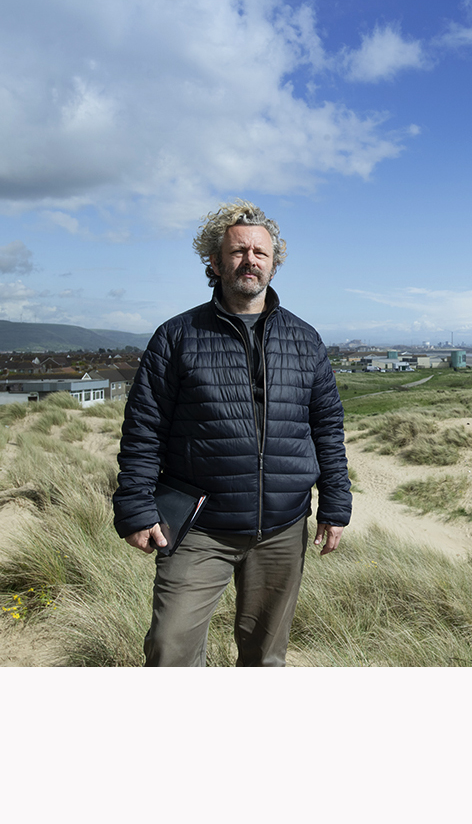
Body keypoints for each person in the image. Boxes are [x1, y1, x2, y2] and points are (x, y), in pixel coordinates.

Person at [112, 199, 352, 666]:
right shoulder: (176, 336)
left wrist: (336, 504)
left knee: (265, 659)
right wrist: (135, 505)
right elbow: (144, 428)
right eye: (238, 251)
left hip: (282, 528)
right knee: (169, 650)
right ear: (216, 262)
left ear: (274, 264)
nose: (250, 261)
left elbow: (326, 427)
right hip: (199, 527)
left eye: (261, 253)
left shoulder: (305, 340)